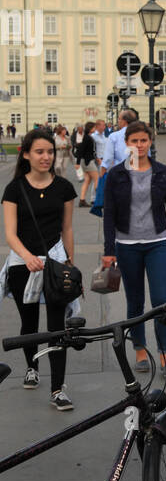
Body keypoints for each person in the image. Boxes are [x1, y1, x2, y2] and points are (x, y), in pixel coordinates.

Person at [101, 121, 166, 381]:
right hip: (126, 246)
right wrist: (109, 250)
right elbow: (109, 216)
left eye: (144, 141)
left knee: (162, 300)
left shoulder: (163, 173)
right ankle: (140, 350)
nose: (139, 146)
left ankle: (165, 354)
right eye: (134, 141)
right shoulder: (116, 175)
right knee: (135, 302)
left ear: (150, 142)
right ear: (126, 143)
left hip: (157, 243)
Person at [0, 129, 77, 409]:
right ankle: (32, 367)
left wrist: (70, 262)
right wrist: (27, 256)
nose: (46, 157)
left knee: (58, 326)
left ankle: (58, 388)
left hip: (55, 262)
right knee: (29, 322)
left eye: (50, 151)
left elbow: (67, 228)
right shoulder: (14, 189)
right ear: (27, 154)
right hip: (23, 264)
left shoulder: (64, 187)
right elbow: (10, 233)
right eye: (40, 152)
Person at [100, 108, 138, 175]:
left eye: (119, 119)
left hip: (120, 174)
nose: (118, 121)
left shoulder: (114, 136)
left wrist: (102, 174)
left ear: (124, 121)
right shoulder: (142, 135)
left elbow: (108, 159)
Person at [73, 121, 99, 205]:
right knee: (97, 179)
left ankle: (82, 200)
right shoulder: (87, 138)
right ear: (91, 128)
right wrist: (77, 163)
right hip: (88, 162)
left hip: (85, 161)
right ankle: (99, 199)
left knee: (87, 181)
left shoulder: (87, 137)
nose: (95, 129)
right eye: (94, 127)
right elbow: (81, 150)